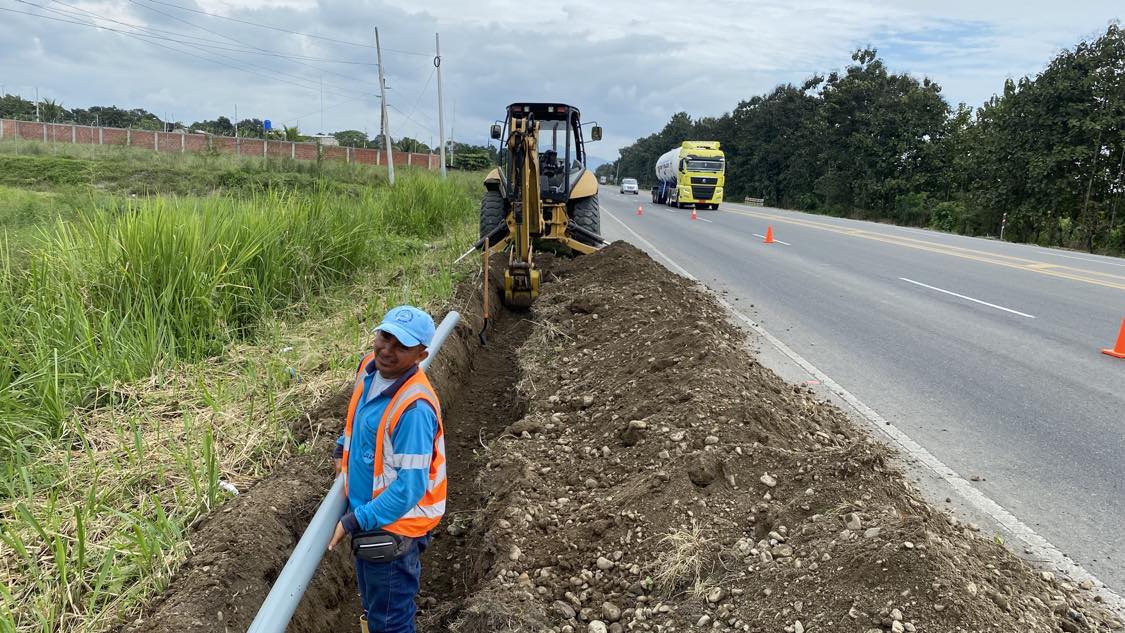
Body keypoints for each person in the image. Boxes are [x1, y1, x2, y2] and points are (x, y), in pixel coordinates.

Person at [328, 305, 446, 633]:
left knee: (390, 623)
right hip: (371, 517)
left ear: (421, 355)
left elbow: (410, 488)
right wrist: (342, 445)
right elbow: (363, 417)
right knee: (374, 610)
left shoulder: (414, 410)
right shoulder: (369, 367)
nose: (387, 350)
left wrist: (355, 520)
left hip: (394, 529)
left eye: (401, 345)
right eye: (385, 336)